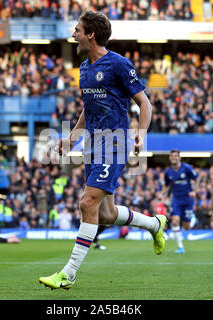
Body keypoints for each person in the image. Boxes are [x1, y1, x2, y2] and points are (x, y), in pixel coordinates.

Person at [39, 10, 167, 290]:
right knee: (106, 215)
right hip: (93, 145)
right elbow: (89, 108)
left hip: (115, 143)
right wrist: (72, 138)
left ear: (90, 34)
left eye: (77, 30)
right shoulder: (84, 68)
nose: (73, 35)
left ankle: (68, 273)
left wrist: (140, 134)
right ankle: (155, 225)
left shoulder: (119, 65)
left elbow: (144, 103)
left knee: (87, 204)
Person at [162, 149, 198, 254]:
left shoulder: (187, 168)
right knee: (175, 221)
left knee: (186, 227)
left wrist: (194, 191)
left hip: (187, 200)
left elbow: (195, 179)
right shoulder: (168, 172)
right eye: (172, 156)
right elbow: (166, 185)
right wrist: (162, 194)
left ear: (179, 157)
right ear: (169, 158)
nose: (174, 157)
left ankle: (192, 220)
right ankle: (180, 247)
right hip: (176, 199)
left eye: (175, 156)